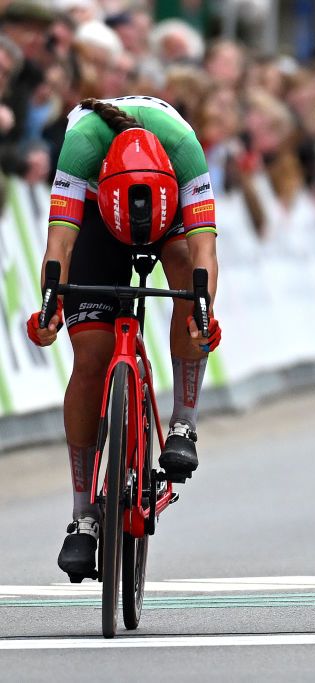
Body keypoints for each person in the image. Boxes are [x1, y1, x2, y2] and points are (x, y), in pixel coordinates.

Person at [27, 96, 221, 581]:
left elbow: (204, 249)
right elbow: (60, 243)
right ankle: (83, 516)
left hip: (166, 209)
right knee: (90, 357)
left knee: (184, 272)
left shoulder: (184, 149)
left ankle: (183, 424)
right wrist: (49, 308)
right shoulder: (81, 146)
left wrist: (203, 312)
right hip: (98, 216)